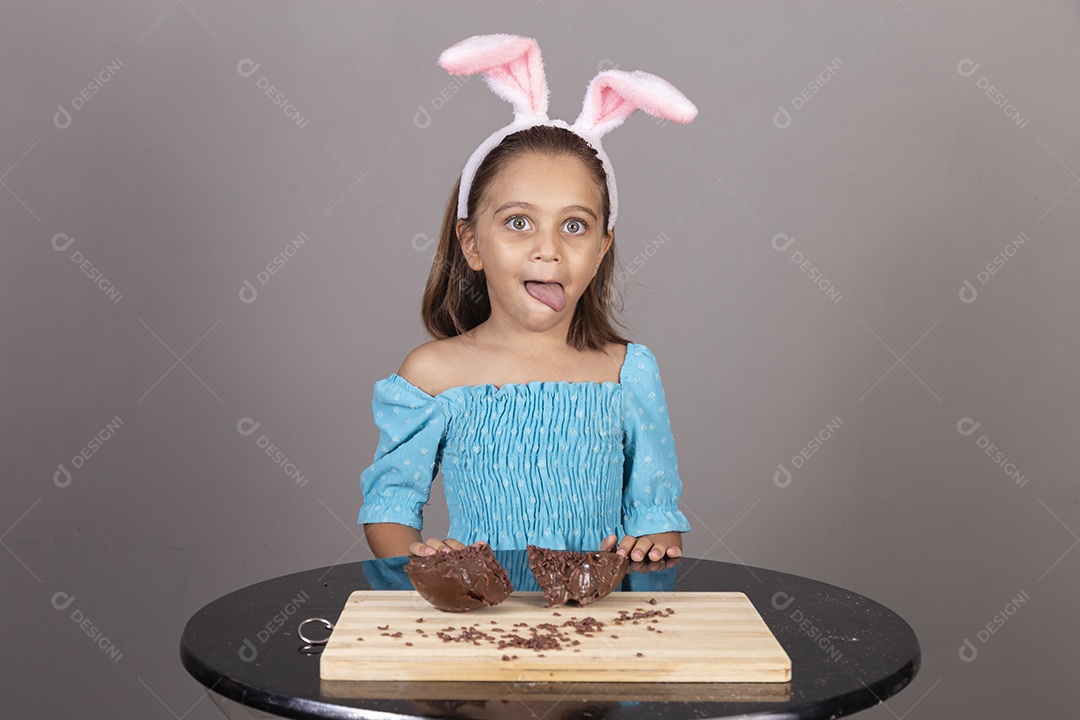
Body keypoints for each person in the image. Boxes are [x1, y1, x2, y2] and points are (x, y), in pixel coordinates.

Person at [358, 33, 697, 571]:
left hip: (601, 632)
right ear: (471, 243)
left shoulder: (627, 373)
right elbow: (390, 505)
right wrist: (427, 560)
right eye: (519, 222)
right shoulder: (433, 374)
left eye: (575, 226)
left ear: (602, 247)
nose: (548, 250)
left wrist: (652, 547)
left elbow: (658, 521)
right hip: (479, 625)